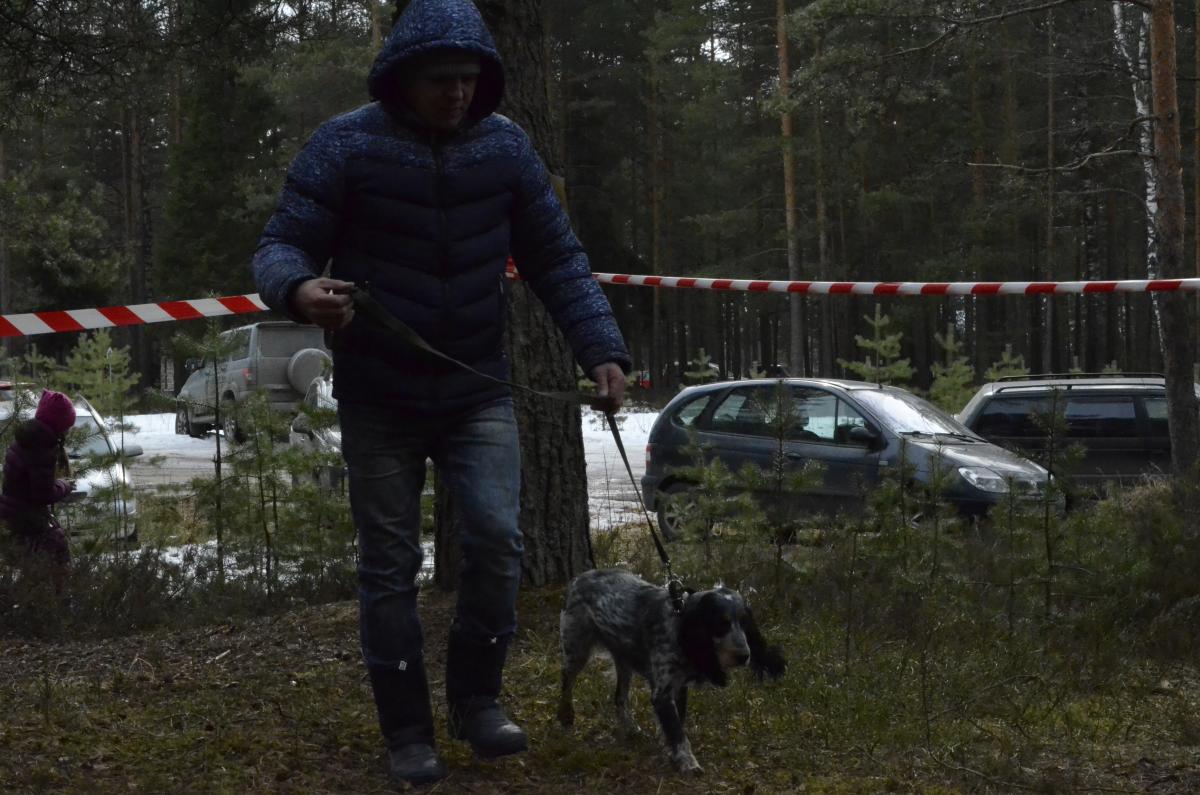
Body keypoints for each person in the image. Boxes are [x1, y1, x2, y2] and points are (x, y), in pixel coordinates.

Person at [252, 0, 630, 786]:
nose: (457, 92)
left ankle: (477, 700)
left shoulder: (506, 147)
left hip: (476, 390)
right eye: (441, 79)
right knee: (388, 564)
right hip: (377, 394)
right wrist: (297, 289)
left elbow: (558, 258)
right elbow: (282, 242)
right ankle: (406, 732)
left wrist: (601, 350)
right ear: (402, 77)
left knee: (497, 541)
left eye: (468, 78)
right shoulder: (344, 144)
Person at [0, 389, 77, 589]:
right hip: (27, 519)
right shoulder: (42, 449)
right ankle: (56, 599)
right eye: (67, 426)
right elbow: (43, 495)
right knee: (55, 556)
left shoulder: (25, 440)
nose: (68, 430)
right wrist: (65, 485)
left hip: (11, 513)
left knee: (29, 568)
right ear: (59, 425)